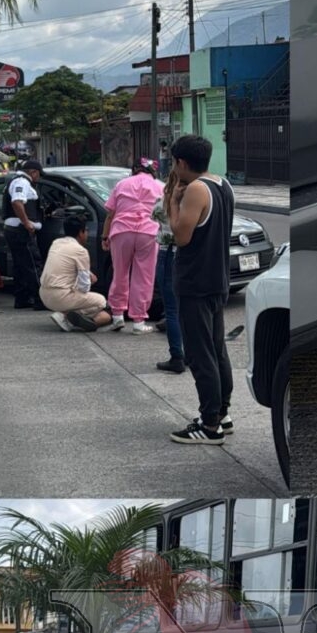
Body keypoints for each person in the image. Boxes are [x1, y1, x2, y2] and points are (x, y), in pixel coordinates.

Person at [164, 133, 235, 445]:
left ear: (181, 162)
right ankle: (222, 413)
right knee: (217, 350)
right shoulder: (223, 184)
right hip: (218, 278)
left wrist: (172, 202)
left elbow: (181, 236)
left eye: (173, 162)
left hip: (195, 282)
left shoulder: (195, 189)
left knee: (200, 354)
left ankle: (209, 426)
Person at [101, 159, 164, 332]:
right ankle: (138, 322)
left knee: (119, 272)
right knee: (144, 277)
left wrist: (105, 236)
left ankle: (117, 315)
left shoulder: (122, 184)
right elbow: (164, 214)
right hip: (148, 232)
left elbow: (110, 214)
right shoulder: (160, 187)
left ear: (135, 169)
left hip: (121, 231)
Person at [40, 213, 115, 332]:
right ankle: (66, 317)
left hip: (44, 294)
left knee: (82, 294)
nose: (86, 233)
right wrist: (91, 280)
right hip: (61, 297)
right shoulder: (81, 251)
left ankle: (67, 314)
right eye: (86, 230)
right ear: (81, 232)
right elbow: (84, 287)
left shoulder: (56, 243)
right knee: (101, 301)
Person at [151, 182, 187, 373]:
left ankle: (176, 356)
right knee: (186, 309)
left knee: (172, 310)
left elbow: (153, 214)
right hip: (188, 255)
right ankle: (190, 353)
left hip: (168, 253)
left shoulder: (165, 202)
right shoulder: (193, 202)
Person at [1, 158, 44, 311]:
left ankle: (22, 298)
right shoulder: (22, 182)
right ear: (33, 172)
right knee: (33, 264)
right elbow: (17, 202)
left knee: (21, 266)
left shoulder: (19, 181)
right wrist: (27, 223)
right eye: (38, 174)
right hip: (20, 230)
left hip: (15, 230)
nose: (38, 178)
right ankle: (41, 299)